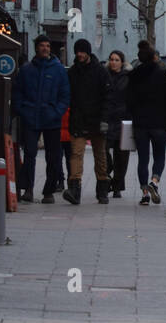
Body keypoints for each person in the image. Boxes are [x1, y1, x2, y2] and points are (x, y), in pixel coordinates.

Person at [11, 35, 70, 204]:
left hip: (51, 118)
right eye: (42, 46)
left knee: (53, 157)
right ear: (36, 48)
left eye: (48, 46)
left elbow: (64, 95)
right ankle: (28, 188)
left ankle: (49, 191)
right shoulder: (27, 69)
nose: (45, 48)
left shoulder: (58, 70)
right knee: (29, 154)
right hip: (31, 117)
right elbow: (17, 93)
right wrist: (23, 110)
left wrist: (56, 112)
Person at [128, 40, 166, 205]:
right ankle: (154, 181)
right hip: (159, 122)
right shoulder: (162, 74)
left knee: (143, 158)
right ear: (154, 57)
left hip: (140, 123)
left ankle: (145, 193)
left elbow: (129, 101)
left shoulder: (134, 75)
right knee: (159, 156)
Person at [65, 39, 111, 204]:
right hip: (79, 118)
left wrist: (105, 119)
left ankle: (102, 188)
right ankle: (74, 188)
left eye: (82, 52)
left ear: (88, 52)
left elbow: (107, 97)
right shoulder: (72, 72)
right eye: (77, 51)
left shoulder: (100, 72)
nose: (79, 54)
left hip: (97, 119)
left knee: (100, 155)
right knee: (76, 154)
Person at [104, 50, 132, 198]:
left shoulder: (128, 78)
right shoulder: (104, 75)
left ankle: (117, 185)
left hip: (124, 121)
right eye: (111, 59)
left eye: (116, 60)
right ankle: (107, 174)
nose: (113, 62)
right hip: (107, 119)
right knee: (104, 151)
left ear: (122, 62)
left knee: (122, 156)